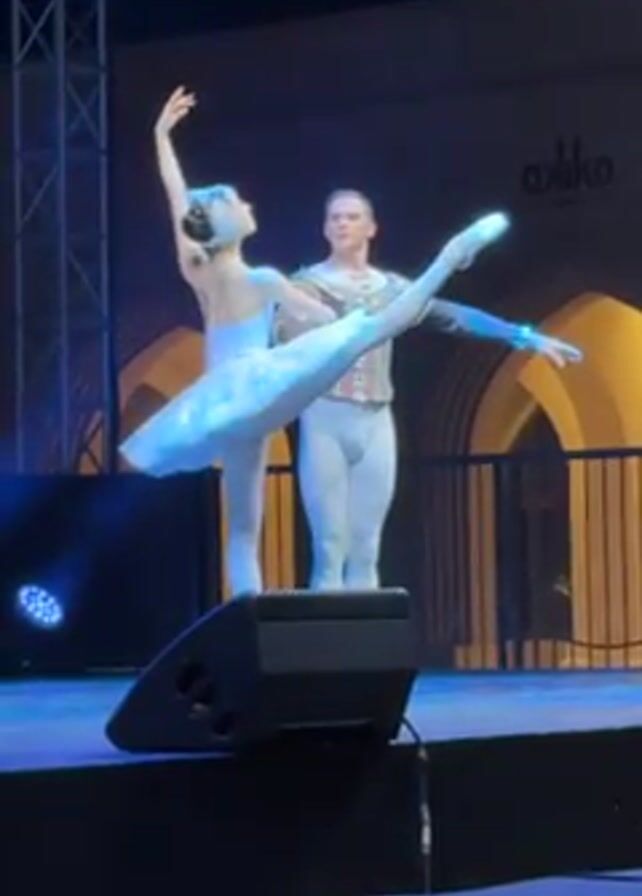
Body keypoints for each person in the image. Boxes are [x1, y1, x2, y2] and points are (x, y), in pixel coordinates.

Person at [120, 89, 515, 596]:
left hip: (225, 398)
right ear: (218, 223)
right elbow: (325, 317)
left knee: (243, 528)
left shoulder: (202, 272)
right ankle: (450, 256)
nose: (248, 204)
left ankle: (250, 617)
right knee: (375, 328)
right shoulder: (262, 279)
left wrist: (161, 138)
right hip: (259, 382)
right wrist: (343, 325)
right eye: (237, 203)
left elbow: (179, 205)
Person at [282, 189, 582, 589]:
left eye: (352, 217)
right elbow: (286, 345)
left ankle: (367, 629)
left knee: (367, 546)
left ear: (371, 228)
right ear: (324, 228)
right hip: (327, 415)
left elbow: (453, 316)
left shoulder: (392, 289)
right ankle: (327, 627)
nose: (342, 224)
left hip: (375, 417)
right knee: (329, 545)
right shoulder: (306, 286)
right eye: (335, 217)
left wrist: (524, 336)